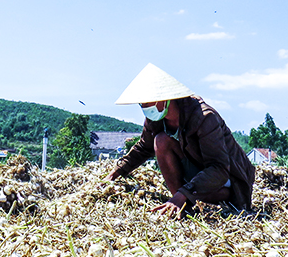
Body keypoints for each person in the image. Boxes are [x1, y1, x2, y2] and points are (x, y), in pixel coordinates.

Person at [105, 63, 255, 218]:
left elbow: (219, 168)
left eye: (147, 102)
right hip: (198, 171)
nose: (144, 107)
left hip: (229, 179)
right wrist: (115, 174)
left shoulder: (204, 118)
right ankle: (182, 205)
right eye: (141, 104)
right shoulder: (156, 118)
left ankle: (182, 199)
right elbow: (144, 147)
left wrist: (183, 193)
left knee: (165, 144)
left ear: (163, 99)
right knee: (161, 141)